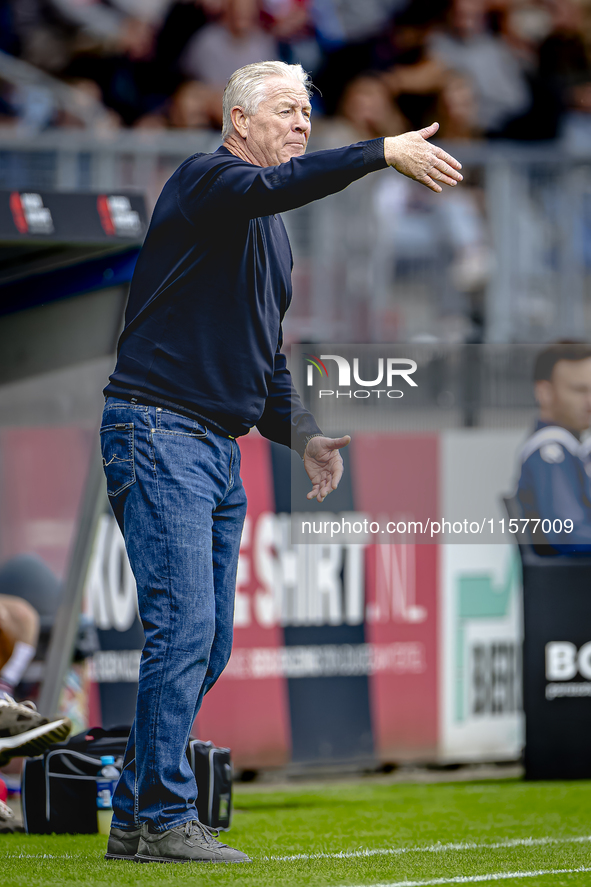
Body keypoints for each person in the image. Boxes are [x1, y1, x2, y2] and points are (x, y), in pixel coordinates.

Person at [100, 59, 462, 864]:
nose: (301, 123)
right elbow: (277, 186)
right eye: (287, 110)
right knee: (184, 627)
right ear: (238, 122)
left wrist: (304, 434)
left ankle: (134, 812)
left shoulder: (271, 229)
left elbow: (265, 360)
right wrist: (377, 152)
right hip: (159, 430)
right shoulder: (208, 178)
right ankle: (161, 816)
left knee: (212, 638)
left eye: (307, 112)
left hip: (209, 444)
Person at [517, 343, 591, 553]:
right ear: (544, 392)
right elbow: (568, 534)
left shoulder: (574, 450)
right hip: (573, 582)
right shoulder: (550, 451)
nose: (589, 401)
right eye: (579, 390)